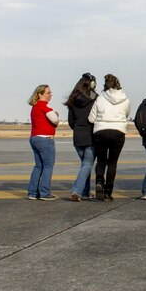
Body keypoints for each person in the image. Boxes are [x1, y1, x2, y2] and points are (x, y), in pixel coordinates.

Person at [88, 73, 130, 202]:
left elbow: (91, 118)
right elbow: (127, 115)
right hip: (118, 132)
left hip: (101, 132)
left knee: (101, 161)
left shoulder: (100, 99)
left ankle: (99, 181)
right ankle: (108, 191)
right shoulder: (125, 99)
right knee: (113, 163)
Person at [64, 73, 97, 202]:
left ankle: (85, 192)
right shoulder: (95, 98)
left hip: (77, 136)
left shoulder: (73, 99)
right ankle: (77, 191)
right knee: (87, 164)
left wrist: (78, 129)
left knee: (85, 164)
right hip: (90, 135)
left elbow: (71, 121)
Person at [26, 84, 59, 200]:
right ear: (40, 94)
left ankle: (32, 192)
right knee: (48, 166)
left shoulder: (34, 106)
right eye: (48, 93)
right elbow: (54, 120)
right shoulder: (44, 105)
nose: (51, 95)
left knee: (38, 166)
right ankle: (45, 192)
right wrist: (56, 115)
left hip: (34, 138)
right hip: (45, 139)